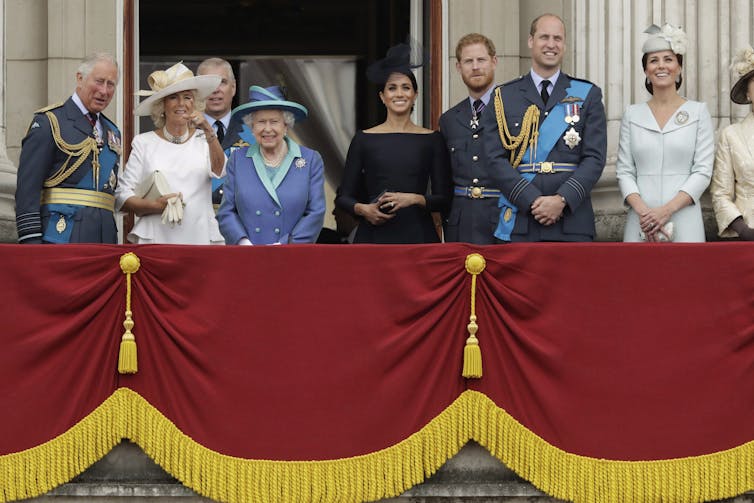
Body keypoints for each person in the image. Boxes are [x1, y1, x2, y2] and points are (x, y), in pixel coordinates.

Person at [480, 14, 607, 242]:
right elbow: (494, 159)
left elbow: (595, 158)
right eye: (544, 37)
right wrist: (531, 200)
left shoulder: (588, 94)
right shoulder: (504, 96)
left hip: (571, 220)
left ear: (564, 45)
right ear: (531, 41)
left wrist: (561, 200)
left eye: (557, 38)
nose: (551, 44)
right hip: (521, 219)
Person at [336, 43, 451, 243]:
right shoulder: (364, 138)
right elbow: (344, 197)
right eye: (392, 88)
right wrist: (364, 210)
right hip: (373, 236)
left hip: (418, 237)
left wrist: (414, 198)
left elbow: (444, 198)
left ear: (415, 94)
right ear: (382, 96)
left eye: (406, 87)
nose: (399, 93)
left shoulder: (432, 139)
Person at [616, 24, 713, 242]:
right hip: (641, 220)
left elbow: (703, 171)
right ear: (646, 70)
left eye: (668, 59)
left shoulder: (698, 112)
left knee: (685, 275)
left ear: (679, 67)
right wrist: (645, 212)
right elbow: (624, 171)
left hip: (684, 217)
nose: (661, 66)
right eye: (654, 60)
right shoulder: (632, 114)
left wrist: (667, 210)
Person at [15, 52, 121, 244]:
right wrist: (31, 243)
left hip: (105, 240)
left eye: (111, 84)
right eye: (99, 81)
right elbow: (27, 190)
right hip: (60, 237)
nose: (104, 91)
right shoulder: (50, 122)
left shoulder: (112, 132)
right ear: (80, 78)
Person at [115, 62, 225, 244]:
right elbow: (122, 197)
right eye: (173, 97)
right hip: (157, 239)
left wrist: (208, 129)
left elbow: (220, 170)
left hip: (199, 237)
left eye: (187, 97)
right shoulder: (144, 143)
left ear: (194, 103)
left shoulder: (205, 138)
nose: (181, 103)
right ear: (162, 105)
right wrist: (155, 206)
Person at [216, 86, 325, 245]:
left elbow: (316, 212)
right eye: (260, 122)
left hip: (292, 254)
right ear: (252, 127)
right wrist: (243, 242)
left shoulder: (310, 160)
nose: (267, 129)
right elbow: (226, 212)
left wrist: (287, 244)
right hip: (248, 254)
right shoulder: (238, 160)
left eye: (274, 121)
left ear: (286, 125)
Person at [440, 33, 500, 244]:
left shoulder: (514, 110)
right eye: (468, 61)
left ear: (494, 62)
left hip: (503, 220)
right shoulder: (449, 120)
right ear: (458, 67)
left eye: (481, 60)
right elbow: (444, 180)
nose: (475, 67)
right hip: (461, 224)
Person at [710, 45, 754, 240]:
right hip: (748, 234)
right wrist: (744, 230)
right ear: (747, 93)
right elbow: (720, 193)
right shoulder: (731, 135)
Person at [197, 57, 242, 207]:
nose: (215, 89)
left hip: (240, 224)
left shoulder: (254, 132)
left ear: (233, 88)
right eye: (208, 83)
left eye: (222, 82)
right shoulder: (183, 132)